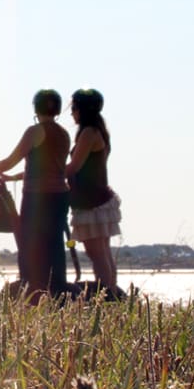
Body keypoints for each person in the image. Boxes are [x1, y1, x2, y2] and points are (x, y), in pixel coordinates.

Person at [0, 90, 70, 301]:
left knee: (29, 245)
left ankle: (33, 290)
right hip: (60, 196)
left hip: (38, 198)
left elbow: (11, 160)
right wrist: (11, 179)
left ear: (36, 108)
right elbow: (51, 167)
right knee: (55, 245)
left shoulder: (35, 131)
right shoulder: (63, 134)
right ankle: (58, 291)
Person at [65, 88, 122, 292]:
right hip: (96, 198)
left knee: (97, 253)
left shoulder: (89, 133)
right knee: (102, 252)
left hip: (92, 202)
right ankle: (111, 291)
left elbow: (74, 167)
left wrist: (42, 173)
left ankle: (107, 293)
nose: (72, 113)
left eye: (73, 108)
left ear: (82, 109)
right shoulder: (98, 131)